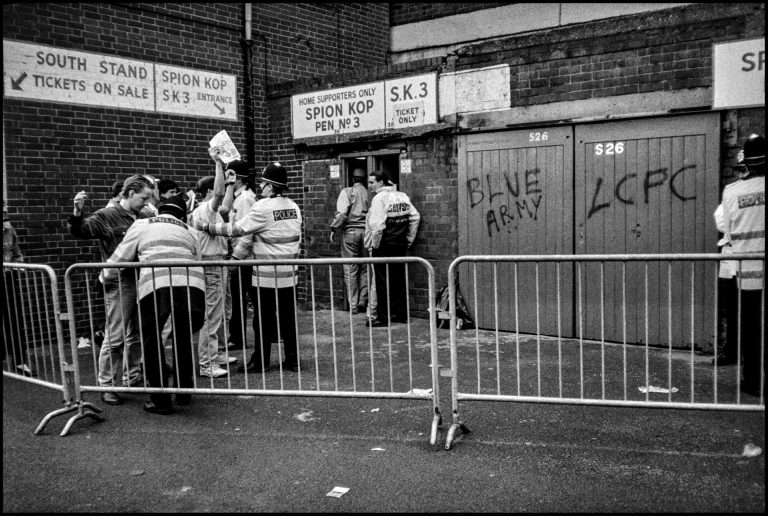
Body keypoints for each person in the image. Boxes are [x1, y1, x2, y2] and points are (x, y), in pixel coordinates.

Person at [100, 194, 206, 414]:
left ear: (160, 211)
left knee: (151, 339)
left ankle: (160, 400)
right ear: (182, 215)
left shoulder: (142, 224)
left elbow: (122, 256)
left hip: (157, 284)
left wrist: (103, 278)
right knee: (183, 338)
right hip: (191, 285)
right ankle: (184, 392)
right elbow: (198, 258)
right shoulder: (190, 230)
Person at [197, 162, 302, 373]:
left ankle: (260, 362)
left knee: (262, 320)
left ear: (270, 186)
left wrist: (207, 226)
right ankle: (292, 360)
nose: (260, 187)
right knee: (288, 319)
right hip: (290, 273)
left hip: (266, 273)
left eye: (263, 183)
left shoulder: (263, 207)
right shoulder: (293, 206)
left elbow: (237, 229)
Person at [68, 175, 154, 405]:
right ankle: (107, 385)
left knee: (137, 334)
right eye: (144, 198)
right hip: (120, 281)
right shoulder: (107, 215)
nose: (147, 202)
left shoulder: (145, 215)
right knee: (115, 335)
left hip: (142, 279)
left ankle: (131, 377)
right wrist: (77, 211)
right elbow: (81, 231)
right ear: (130, 193)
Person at [721, 133, 765, 397]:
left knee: (751, 329)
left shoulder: (731, 192)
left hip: (746, 272)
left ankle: (753, 382)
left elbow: (727, 231)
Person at [188, 148, 237, 378]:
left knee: (221, 312)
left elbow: (225, 205)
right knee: (212, 314)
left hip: (218, 262)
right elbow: (218, 196)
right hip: (211, 263)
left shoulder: (212, 211)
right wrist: (218, 164)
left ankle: (216, 354)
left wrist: (231, 184)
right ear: (208, 191)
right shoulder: (204, 209)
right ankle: (207, 362)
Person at [364, 170, 420, 327]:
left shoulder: (379, 198)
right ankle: (401, 314)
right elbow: (415, 217)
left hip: (384, 245)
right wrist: (409, 240)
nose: (369, 186)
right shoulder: (402, 196)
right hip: (399, 244)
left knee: (382, 282)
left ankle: (383, 317)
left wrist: (375, 246)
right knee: (399, 280)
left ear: (381, 182)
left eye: (372, 182)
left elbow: (377, 226)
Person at [220, 159, 257, 352]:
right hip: (243, 256)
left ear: (238, 179)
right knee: (242, 296)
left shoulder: (244, 200)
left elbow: (247, 232)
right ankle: (238, 336)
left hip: (245, 258)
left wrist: (236, 257)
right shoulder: (239, 197)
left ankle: (237, 338)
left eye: (229, 176)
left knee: (240, 297)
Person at [329, 168, 371, 314]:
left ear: (352, 179)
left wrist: (334, 228)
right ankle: (363, 301)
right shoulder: (370, 192)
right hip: (366, 232)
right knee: (366, 267)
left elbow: (341, 213)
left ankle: (353, 305)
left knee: (350, 268)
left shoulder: (347, 192)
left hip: (350, 232)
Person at [3, 201, 36, 376]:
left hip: (8, 278)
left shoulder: (10, 231)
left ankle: (19, 361)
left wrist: (15, 266)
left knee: (14, 320)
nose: (5, 216)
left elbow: (18, 255)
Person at [713, 203, 738, 366]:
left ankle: (734, 351)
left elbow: (722, 221)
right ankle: (733, 351)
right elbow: (720, 220)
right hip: (732, 258)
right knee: (732, 308)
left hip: (739, 258)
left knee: (736, 308)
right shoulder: (731, 196)